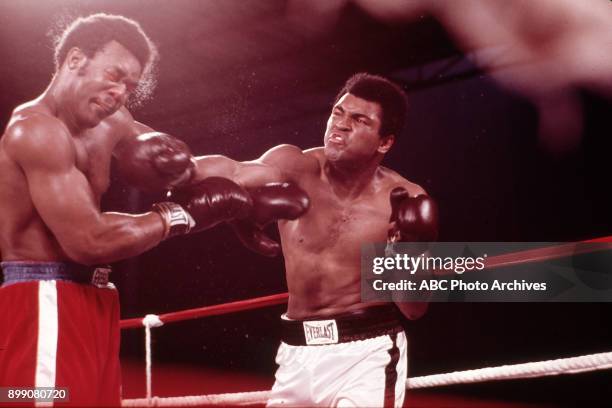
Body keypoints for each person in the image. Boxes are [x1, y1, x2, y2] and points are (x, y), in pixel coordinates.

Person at [0, 14, 269, 406]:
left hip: (95, 303)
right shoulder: (36, 131)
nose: (119, 93)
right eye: (113, 75)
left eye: (129, 85)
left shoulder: (114, 123)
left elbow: (188, 169)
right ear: (75, 60)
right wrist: (179, 215)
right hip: (44, 303)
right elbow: (88, 241)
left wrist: (266, 183)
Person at [190, 72, 438, 407]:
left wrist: (403, 252)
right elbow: (234, 171)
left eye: (359, 119)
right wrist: (178, 168)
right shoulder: (294, 167)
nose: (342, 125)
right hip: (296, 352)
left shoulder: (406, 197)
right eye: (339, 113)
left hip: (367, 354)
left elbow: (414, 309)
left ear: (385, 142)